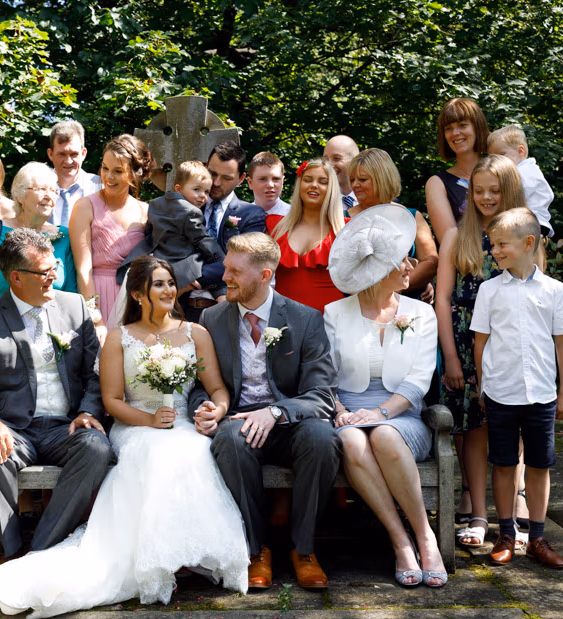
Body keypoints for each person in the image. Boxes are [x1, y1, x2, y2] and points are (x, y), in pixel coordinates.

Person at [0, 255, 248, 616]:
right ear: (137, 294)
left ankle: (187, 552)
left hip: (181, 423)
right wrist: (148, 419)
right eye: (158, 284)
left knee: (193, 449)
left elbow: (218, 388)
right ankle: (156, 557)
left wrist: (216, 410)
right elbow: (112, 401)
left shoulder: (196, 333)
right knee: (158, 453)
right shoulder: (119, 338)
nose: (168, 290)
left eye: (170, 283)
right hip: (135, 426)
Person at [0, 229, 112, 577]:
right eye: (44, 272)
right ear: (16, 277)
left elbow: (97, 373)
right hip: (14, 430)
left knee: (96, 448)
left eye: (54, 269)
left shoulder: (74, 306)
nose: (53, 278)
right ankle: (12, 548)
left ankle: (42, 547)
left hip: (66, 427)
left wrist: (88, 410)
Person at [191, 232, 341, 590]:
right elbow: (199, 383)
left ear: (265, 275)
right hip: (239, 420)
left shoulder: (305, 319)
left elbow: (321, 394)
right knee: (230, 440)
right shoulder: (212, 318)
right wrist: (205, 406)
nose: (224, 277)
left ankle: (304, 550)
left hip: (291, 422)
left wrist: (275, 413)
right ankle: (256, 550)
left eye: (235, 271)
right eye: (226, 268)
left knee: (323, 438)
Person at [323, 203, 446, 588]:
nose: (411, 267)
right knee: (350, 440)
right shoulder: (334, 312)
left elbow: (419, 380)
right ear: (378, 270)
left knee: (385, 435)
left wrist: (380, 413)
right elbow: (324, 376)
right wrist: (340, 411)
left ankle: (425, 536)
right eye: (402, 261)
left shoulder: (421, 313)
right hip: (347, 417)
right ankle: (400, 540)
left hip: (402, 418)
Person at [473, 208, 563, 570]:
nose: (494, 251)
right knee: (503, 464)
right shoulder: (489, 290)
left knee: (539, 465)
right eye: (492, 244)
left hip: (541, 396)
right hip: (501, 394)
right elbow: (481, 343)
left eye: (502, 244)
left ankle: (537, 538)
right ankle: (505, 534)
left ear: (528, 242)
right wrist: (483, 388)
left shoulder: (554, 291)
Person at [436, 155, 528, 548]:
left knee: (510, 427)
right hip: (464, 343)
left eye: (495, 190)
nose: (486, 197)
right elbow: (442, 299)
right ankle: (477, 514)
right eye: (478, 191)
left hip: (509, 345)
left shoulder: (526, 238)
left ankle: (513, 515)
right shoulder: (457, 237)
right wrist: (451, 358)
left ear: (510, 191)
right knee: (472, 428)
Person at [69, 134, 150, 329]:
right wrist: (96, 318)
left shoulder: (145, 211)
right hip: (96, 294)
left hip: (133, 301)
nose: (108, 177)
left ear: (134, 174)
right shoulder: (85, 206)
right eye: (105, 168)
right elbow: (83, 270)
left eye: (118, 171)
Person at [0, 163, 77, 310]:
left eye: (53, 191)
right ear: (20, 195)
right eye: (41, 189)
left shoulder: (64, 235)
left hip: (51, 319)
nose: (49, 196)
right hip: (3, 318)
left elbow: (71, 292)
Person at [182, 142, 267, 321]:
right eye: (212, 173)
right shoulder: (184, 205)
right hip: (177, 308)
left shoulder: (252, 215)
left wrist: (184, 277)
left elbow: (243, 263)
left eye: (226, 178)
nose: (216, 182)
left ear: (241, 179)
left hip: (225, 313)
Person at [118, 161, 225, 297]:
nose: (202, 195)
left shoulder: (156, 203)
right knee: (217, 271)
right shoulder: (192, 212)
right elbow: (202, 239)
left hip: (157, 258)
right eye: (196, 189)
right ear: (178, 189)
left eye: (206, 191)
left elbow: (149, 231)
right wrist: (220, 259)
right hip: (180, 263)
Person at [347, 148, 438, 299]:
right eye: (352, 180)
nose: (355, 185)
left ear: (382, 179)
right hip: (360, 302)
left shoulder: (412, 216)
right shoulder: (343, 219)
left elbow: (431, 261)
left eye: (362, 180)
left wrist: (398, 288)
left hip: (406, 301)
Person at [267, 159, 345, 313]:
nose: (314, 185)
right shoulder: (274, 225)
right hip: (283, 317)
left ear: (331, 189)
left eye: (323, 182)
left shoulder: (345, 229)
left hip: (332, 318)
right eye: (308, 180)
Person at [426, 98, 490, 244]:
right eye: (448, 128)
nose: (455, 133)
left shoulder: (502, 170)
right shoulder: (437, 184)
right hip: (464, 257)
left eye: (462, 125)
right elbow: (449, 242)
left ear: (477, 127)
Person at [488, 125, 554, 238]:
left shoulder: (525, 170)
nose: (497, 161)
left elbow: (519, 192)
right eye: (492, 157)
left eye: (502, 154)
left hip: (532, 221)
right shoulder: (523, 169)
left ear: (520, 151)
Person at [46, 120, 102, 227]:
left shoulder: (100, 187)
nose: (68, 161)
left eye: (74, 154)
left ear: (83, 153)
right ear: (50, 154)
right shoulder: (35, 188)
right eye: (61, 154)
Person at [322, 135, 360, 210]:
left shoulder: (370, 196)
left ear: (354, 160)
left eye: (336, 158)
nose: (329, 165)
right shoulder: (319, 199)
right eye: (325, 160)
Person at [247, 152, 290, 217]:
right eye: (262, 179)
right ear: (250, 182)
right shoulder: (241, 217)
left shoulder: (296, 216)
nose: (270, 185)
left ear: (282, 182)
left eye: (276, 179)